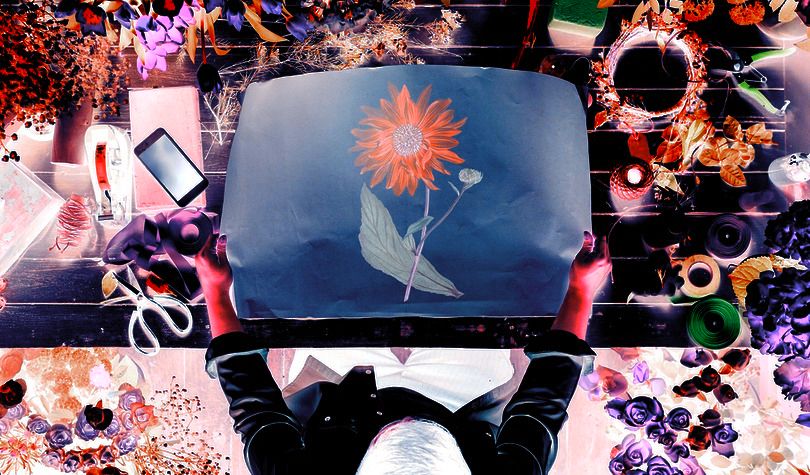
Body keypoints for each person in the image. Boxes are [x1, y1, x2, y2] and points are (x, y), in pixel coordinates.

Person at [196, 230, 611, 475]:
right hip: (461, 406)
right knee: (477, 293)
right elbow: (541, 406)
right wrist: (579, 292)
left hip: (340, 404)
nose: (405, 418)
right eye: (418, 427)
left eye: (395, 431)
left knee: (324, 290)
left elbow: (256, 410)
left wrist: (215, 291)